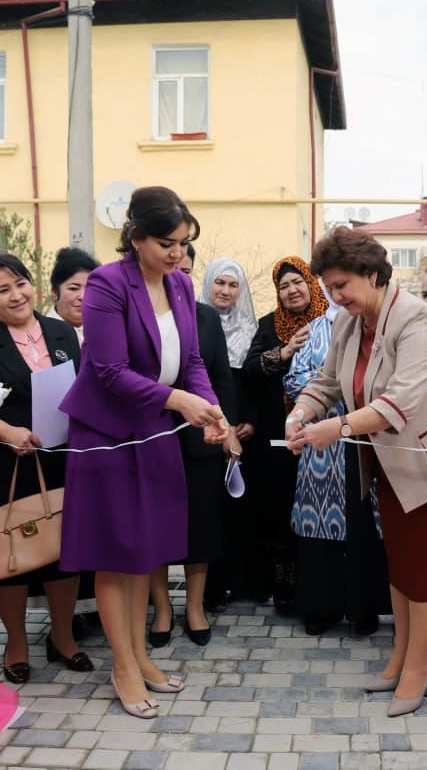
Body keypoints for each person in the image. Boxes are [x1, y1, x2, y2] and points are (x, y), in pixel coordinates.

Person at [286, 227, 427, 718]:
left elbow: (399, 401)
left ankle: (418, 667)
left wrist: (334, 428)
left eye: (342, 286)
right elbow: (327, 380)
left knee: (425, 572)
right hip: (392, 463)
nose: (335, 297)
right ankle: (401, 654)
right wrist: (299, 415)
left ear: (372, 275)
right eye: (330, 288)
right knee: (401, 567)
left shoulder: (416, 319)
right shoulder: (349, 322)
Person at [59, 186, 227, 720]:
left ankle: (140, 659)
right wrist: (179, 401)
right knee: (115, 552)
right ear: (134, 238)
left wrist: (212, 409)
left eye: (183, 242)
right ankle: (124, 665)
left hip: (152, 428)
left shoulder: (179, 283)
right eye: (165, 242)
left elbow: (193, 360)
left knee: (146, 549)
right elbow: (108, 370)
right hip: (107, 433)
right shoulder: (109, 283)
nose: (177, 253)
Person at [0, 253, 87, 686]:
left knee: (64, 551)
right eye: (3, 290)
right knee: (11, 551)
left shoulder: (63, 332)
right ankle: (15, 642)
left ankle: (64, 637)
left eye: (21, 283)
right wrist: (3, 431)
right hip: (6, 460)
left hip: (61, 455)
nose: (16, 295)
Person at [148, 246, 242, 647]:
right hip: (151, 433)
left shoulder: (204, 317)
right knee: (154, 525)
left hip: (201, 433)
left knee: (201, 524)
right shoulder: (141, 314)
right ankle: (162, 608)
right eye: (174, 269)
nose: (179, 277)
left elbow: (219, 376)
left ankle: (195, 606)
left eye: (187, 271)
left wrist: (228, 427)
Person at [283, 290, 389, 637]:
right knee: (319, 527)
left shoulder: (380, 326)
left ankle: (364, 610)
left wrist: (349, 393)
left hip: (367, 440)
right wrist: (330, 394)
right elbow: (295, 376)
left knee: (365, 527)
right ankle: (320, 608)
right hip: (321, 445)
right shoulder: (315, 329)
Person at [242, 256, 329, 613]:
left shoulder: (333, 322)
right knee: (280, 511)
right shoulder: (268, 325)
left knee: (320, 513)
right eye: (283, 286)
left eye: (297, 282)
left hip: (326, 437)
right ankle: (285, 590)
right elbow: (249, 372)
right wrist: (285, 351)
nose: (291, 290)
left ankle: (320, 589)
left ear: (311, 283)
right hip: (278, 439)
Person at [195, 256, 259, 609]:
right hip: (204, 426)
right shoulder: (192, 324)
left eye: (233, 285)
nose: (226, 291)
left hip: (240, 427)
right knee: (210, 509)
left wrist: (248, 421)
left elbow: (250, 382)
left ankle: (242, 582)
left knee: (240, 508)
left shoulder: (252, 327)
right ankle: (211, 590)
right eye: (220, 283)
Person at [47, 247, 99, 344]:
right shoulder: (42, 334)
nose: (83, 297)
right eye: (73, 288)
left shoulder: (104, 328)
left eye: (90, 289)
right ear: (54, 292)